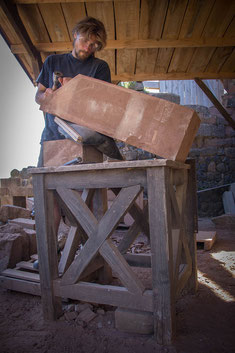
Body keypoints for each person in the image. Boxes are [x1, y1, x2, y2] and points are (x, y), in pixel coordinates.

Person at [34, 17, 119, 269]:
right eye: (85, 40)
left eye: (94, 44)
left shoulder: (100, 68)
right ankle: (49, 255)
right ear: (75, 35)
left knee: (88, 197)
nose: (87, 47)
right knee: (48, 197)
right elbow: (38, 96)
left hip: (87, 141)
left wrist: (77, 90)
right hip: (52, 139)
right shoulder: (53, 62)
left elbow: (102, 106)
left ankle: (88, 253)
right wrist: (46, 95)